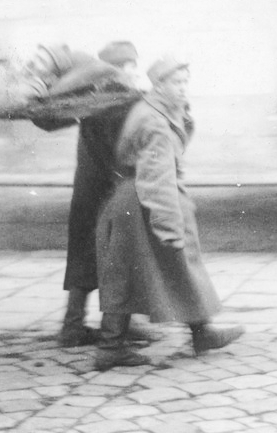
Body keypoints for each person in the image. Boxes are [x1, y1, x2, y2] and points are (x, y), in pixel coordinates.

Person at [93, 56, 243, 371]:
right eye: (177, 82)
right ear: (159, 85)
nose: (183, 88)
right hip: (145, 201)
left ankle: (201, 332)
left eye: (186, 82)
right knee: (130, 272)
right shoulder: (154, 121)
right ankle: (110, 349)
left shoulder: (154, 110)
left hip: (138, 199)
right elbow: (157, 176)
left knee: (174, 267)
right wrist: (168, 226)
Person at [56, 41, 145, 347]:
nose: (132, 72)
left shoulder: (91, 99)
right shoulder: (120, 100)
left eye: (133, 65)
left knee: (83, 255)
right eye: (127, 66)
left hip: (86, 191)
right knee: (120, 256)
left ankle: (72, 325)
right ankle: (116, 327)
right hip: (109, 190)